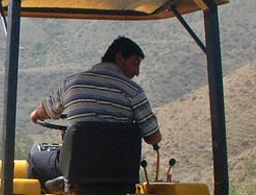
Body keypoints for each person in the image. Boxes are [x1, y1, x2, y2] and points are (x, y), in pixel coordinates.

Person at [27, 36, 162, 186]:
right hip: (118, 174)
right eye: (135, 64)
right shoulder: (135, 92)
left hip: (77, 168)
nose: (137, 72)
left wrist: (36, 114)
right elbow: (153, 138)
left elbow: (46, 110)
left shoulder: (73, 83)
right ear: (119, 58)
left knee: (34, 156)